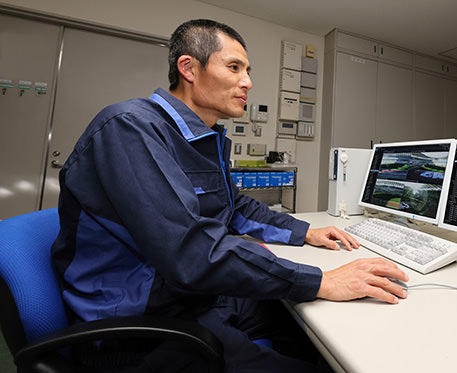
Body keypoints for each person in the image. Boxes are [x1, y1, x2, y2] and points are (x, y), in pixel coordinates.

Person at [51, 19, 409, 372]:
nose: (248, 82)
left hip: (193, 297)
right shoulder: (130, 128)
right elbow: (190, 252)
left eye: (248, 70)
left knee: (317, 328)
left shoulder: (207, 139)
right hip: (140, 326)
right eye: (235, 67)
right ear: (189, 68)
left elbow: (234, 206)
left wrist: (306, 233)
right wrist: (321, 279)